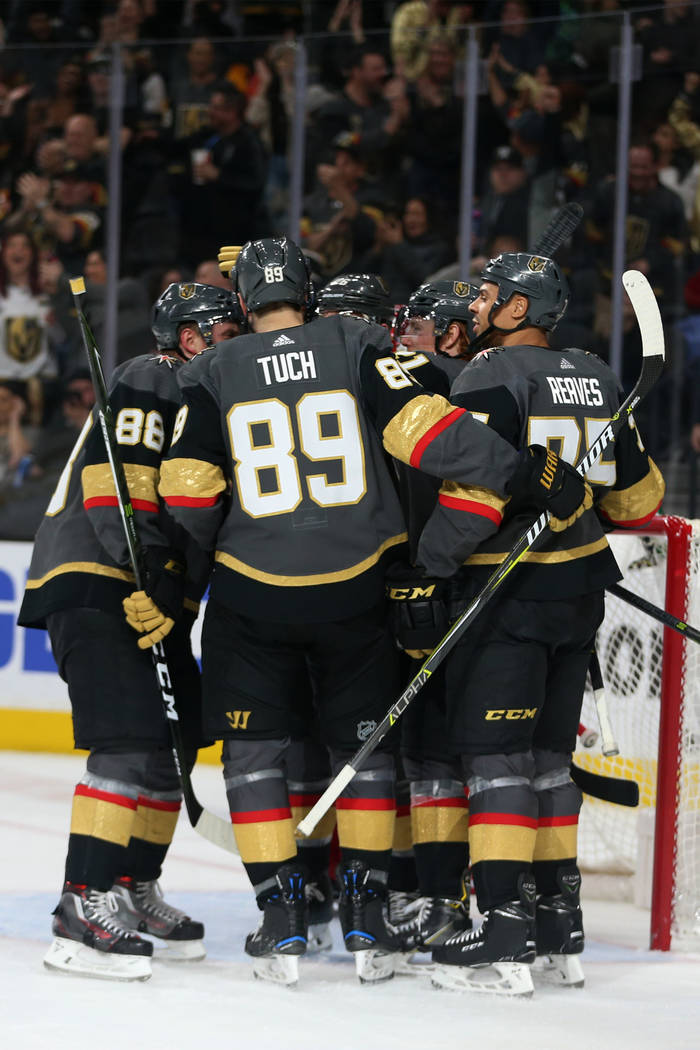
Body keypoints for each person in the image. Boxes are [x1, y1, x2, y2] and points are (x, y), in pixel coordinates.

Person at [154, 236, 591, 987]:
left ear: (247, 299)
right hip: (357, 587)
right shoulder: (354, 341)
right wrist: (526, 473)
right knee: (366, 752)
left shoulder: (210, 370)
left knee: (255, 757)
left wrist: (222, 542)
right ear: (307, 287)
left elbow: (189, 494)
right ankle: (364, 911)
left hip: (251, 592)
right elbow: (430, 435)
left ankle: (281, 914)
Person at [406, 251, 665, 996]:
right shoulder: (598, 375)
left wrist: (432, 565)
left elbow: (476, 498)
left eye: (489, 297)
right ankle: (559, 923)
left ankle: (501, 932)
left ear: (519, 310)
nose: (477, 307)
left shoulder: (491, 376)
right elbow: (633, 499)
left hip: (508, 595)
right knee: (549, 763)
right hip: (580, 594)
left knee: (495, 763)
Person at [17, 282, 241, 982]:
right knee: (125, 743)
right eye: (221, 332)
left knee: (167, 747)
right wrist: (147, 578)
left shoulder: (209, 402)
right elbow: (113, 488)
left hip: (153, 587)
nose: (232, 345)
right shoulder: (152, 375)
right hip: (103, 578)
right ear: (186, 335)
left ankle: (133, 888)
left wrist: (177, 593)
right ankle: (83, 902)